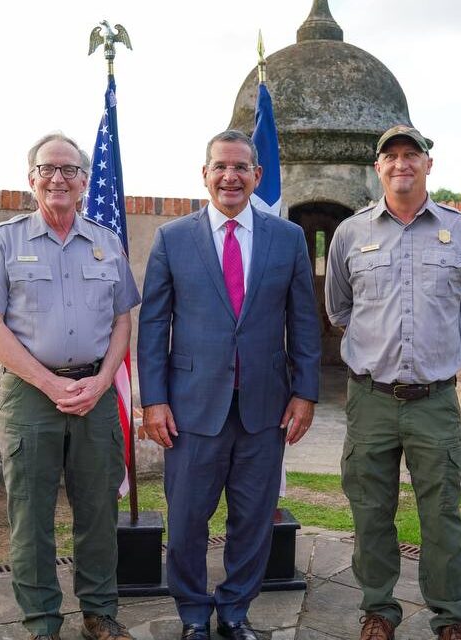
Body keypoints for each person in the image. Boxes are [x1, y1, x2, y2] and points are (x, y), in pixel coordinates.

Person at [138, 130, 321, 640]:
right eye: (220, 166)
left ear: (257, 176)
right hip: (192, 410)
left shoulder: (286, 239)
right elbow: (154, 326)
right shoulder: (173, 239)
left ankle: (236, 612)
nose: (230, 176)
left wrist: (305, 392)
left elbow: (303, 322)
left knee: (253, 522)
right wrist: (153, 400)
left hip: (265, 409)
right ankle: (194, 614)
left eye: (241, 167)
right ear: (205, 174)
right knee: (188, 522)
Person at [0, 132, 140, 640]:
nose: (58, 178)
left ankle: (100, 615)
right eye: (48, 169)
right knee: (31, 517)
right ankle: (42, 622)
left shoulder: (107, 242)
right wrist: (48, 383)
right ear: (31, 179)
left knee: (98, 511)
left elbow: (123, 321)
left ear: (85, 181)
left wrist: (104, 380)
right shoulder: (5, 240)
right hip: (29, 396)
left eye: (69, 170)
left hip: (96, 394)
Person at [325, 125, 461, 640]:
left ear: (427, 164)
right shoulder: (351, 234)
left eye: (411, 155)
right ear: (378, 168)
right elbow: (339, 308)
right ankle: (378, 610)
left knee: (441, 514)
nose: (401, 164)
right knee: (371, 511)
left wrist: (431, 340)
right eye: (391, 156)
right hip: (370, 399)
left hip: (434, 401)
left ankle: (451, 616)